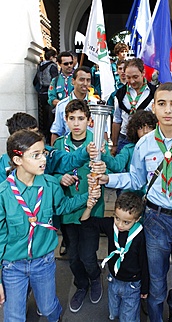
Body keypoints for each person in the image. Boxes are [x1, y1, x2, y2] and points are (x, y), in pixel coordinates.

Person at [93, 82, 172, 322]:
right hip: (156, 221)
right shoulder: (144, 144)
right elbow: (135, 178)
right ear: (154, 107)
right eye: (161, 104)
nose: (167, 110)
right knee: (155, 287)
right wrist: (107, 178)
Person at [0, 129, 101, 322]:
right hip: (13, 265)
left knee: (48, 307)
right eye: (35, 155)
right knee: (13, 316)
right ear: (18, 159)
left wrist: (87, 197)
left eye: (43, 153)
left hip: (43, 262)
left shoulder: (51, 184)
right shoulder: (3, 194)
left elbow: (62, 206)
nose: (43, 159)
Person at [53, 100, 105, 312]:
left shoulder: (97, 141)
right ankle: (81, 284)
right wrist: (59, 177)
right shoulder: (59, 145)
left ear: (88, 120)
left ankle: (94, 279)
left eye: (81, 119)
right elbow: (50, 171)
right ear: (65, 120)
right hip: (68, 209)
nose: (76, 123)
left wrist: (103, 169)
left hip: (91, 207)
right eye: (71, 118)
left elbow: (107, 167)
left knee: (87, 255)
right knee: (73, 256)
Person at [80, 192, 149, 322]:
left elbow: (144, 262)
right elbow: (86, 223)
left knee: (128, 317)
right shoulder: (110, 225)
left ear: (137, 219)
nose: (120, 225)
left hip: (132, 283)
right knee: (114, 311)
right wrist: (89, 207)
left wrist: (145, 287)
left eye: (126, 222)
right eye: (117, 218)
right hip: (113, 279)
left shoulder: (140, 235)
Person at [0, 112, 100, 183]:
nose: (38, 137)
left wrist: (86, 151)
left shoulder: (49, 153)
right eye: (32, 134)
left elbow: (69, 160)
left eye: (37, 132)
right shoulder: (4, 163)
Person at [111, 58, 156, 156]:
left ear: (143, 72)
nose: (132, 81)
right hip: (125, 139)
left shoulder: (154, 93)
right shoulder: (120, 94)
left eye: (135, 77)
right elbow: (117, 120)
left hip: (147, 139)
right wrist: (114, 145)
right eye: (128, 77)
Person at [50, 66, 93, 145]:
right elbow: (56, 132)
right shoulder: (62, 105)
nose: (85, 83)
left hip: (92, 151)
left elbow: (103, 131)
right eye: (81, 79)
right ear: (73, 81)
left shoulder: (95, 105)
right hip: (69, 151)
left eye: (88, 80)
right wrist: (54, 153)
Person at [33, 47, 58, 144]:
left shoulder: (40, 66)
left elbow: (35, 81)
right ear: (51, 57)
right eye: (55, 57)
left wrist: (39, 90)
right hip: (49, 93)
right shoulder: (52, 66)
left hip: (41, 93)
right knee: (51, 118)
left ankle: (45, 136)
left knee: (43, 117)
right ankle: (50, 138)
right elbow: (55, 81)